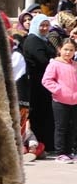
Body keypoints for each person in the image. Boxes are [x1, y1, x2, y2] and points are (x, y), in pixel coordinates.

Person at [23, 14, 57, 153]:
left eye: (46, 25)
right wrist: (54, 61)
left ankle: (48, 144)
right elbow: (42, 60)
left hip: (46, 84)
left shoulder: (44, 40)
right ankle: (42, 144)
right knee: (40, 114)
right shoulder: (33, 40)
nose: (44, 28)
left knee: (47, 113)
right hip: (37, 84)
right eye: (41, 25)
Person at [41, 38, 77, 163]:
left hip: (74, 101)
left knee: (72, 127)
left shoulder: (74, 65)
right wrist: (59, 90)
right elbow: (47, 80)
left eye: (71, 50)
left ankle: (69, 151)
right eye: (66, 49)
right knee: (61, 127)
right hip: (60, 101)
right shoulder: (55, 64)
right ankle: (60, 153)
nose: (68, 52)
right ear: (59, 49)